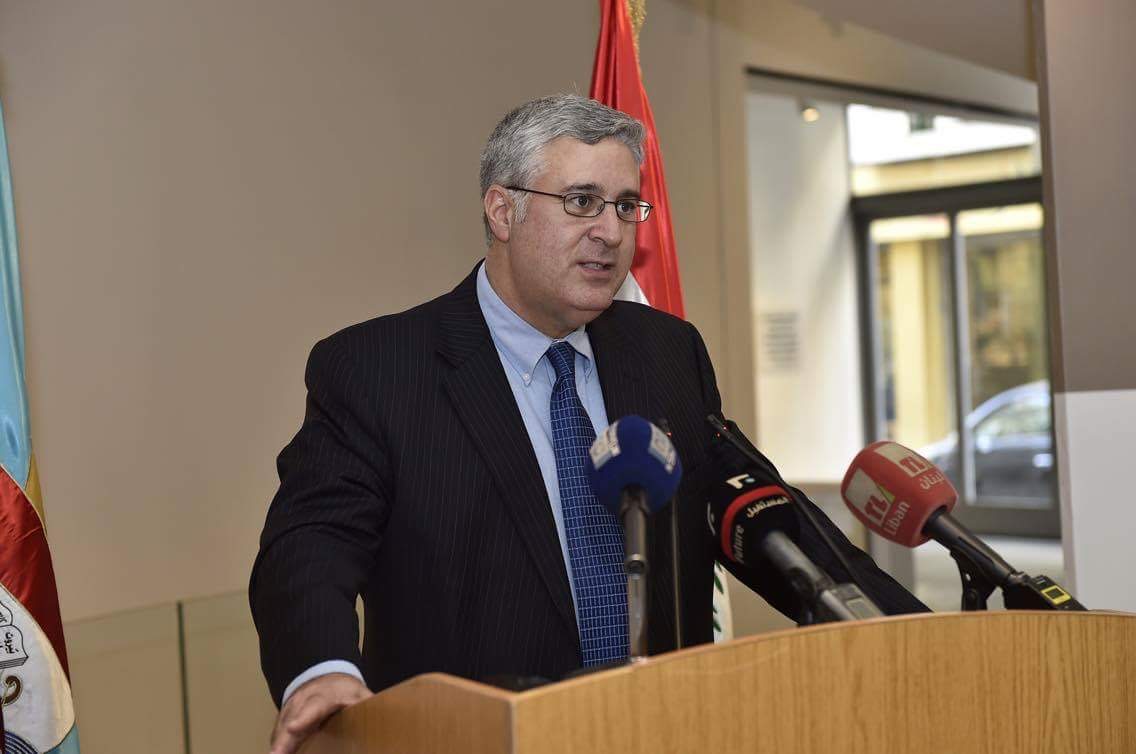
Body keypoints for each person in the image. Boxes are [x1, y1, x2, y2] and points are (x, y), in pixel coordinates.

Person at [250, 94, 927, 754]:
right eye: (581, 202)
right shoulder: (380, 367)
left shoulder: (666, 351)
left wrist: (914, 636)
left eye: (626, 206)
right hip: (478, 739)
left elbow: (758, 513)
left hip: (663, 730)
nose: (612, 231)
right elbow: (310, 544)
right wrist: (321, 668)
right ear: (502, 210)